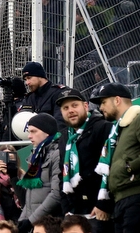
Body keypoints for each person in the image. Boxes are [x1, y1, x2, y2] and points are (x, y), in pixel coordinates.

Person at [89, 83, 140, 233]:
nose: (100, 108)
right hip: (123, 201)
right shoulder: (117, 131)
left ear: (117, 100)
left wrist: (130, 167)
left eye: (103, 102)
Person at [55, 87, 113, 231]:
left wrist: (104, 204)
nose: (70, 111)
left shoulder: (102, 127)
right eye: (65, 108)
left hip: (100, 212)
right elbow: (62, 175)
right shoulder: (64, 138)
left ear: (85, 106)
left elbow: (111, 166)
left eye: (75, 105)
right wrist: (66, 209)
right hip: (75, 214)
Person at [17, 113, 62, 233]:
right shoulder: (36, 156)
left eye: (33, 131)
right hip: (36, 224)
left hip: (50, 225)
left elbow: (56, 194)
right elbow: (30, 195)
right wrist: (22, 220)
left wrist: (31, 220)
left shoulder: (57, 154)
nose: (29, 136)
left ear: (46, 132)